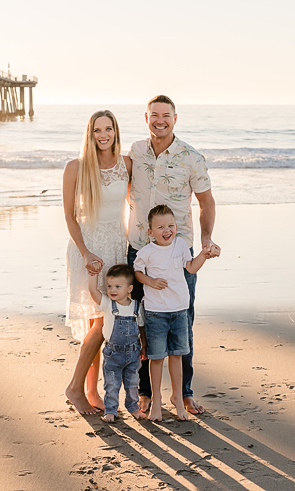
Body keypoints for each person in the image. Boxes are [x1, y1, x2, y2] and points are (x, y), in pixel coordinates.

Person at [127, 95, 221, 415]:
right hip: (138, 249)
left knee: (183, 320)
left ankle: (183, 394)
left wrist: (206, 239)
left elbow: (207, 203)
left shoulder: (192, 157)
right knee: (140, 323)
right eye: (155, 115)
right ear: (146, 117)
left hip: (178, 253)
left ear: (175, 119)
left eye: (166, 115)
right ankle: (145, 394)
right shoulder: (136, 152)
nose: (160, 120)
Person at [63, 110, 132, 415]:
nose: (103, 135)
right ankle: (77, 388)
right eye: (97, 130)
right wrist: (86, 253)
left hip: (117, 245)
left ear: (116, 132)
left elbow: (138, 203)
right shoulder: (76, 167)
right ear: (89, 134)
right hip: (88, 248)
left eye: (109, 129)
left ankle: (91, 390)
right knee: (102, 320)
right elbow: (69, 216)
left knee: (102, 321)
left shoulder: (126, 164)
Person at [134, 204, 211, 421]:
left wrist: (204, 255)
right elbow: (137, 273)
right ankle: (156, 400)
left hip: (179, 311)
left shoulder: (181, 245)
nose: (166, 230)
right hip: (156, 313)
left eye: (171, 225)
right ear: (150, 232)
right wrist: (151, 281)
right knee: (156, 358)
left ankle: (178, 398)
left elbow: (191, 268)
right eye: (160, 227)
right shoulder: (146, 252)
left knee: (177, 355)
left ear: (176, 227)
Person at [86, 264, 146, 422]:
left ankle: (133, 407)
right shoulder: (107, 304)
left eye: (118, 286)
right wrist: (93, 274)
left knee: (133, 383)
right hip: (113, 354)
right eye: (109, 286)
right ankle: (111, 410)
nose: (112, 290)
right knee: (111, 384)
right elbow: (93, 291)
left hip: (133, 353)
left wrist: (144, 345)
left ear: (129, 288)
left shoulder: (136, 307)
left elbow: (141, 327)